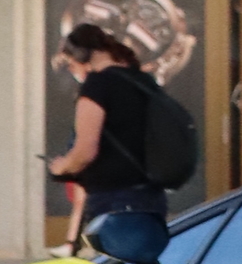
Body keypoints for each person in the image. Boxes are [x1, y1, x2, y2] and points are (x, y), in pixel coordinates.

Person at [47, 23, 169, 229]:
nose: (72, 71)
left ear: (82, 55)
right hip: (151, 196)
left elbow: (85, 151)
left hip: (113, 197)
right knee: (141, 258)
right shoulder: (144, 81)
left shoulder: (98, 85)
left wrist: (62, 166)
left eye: (71, 64)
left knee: (111, 260)